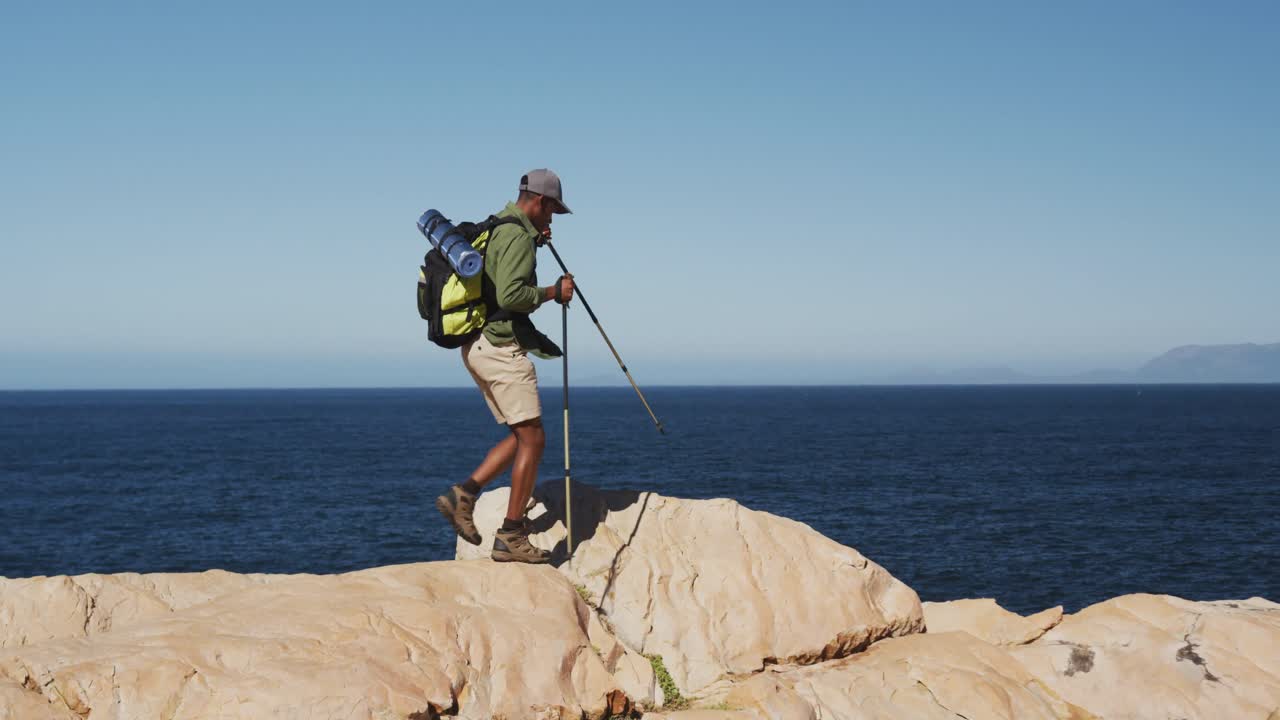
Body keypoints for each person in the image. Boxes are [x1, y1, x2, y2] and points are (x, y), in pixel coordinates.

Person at [435, 169, 576, 564]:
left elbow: (500, 276)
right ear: (540, 202)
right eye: (552, 211)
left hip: (478, 345)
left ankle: (463, 496)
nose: (552, 219)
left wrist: (534, 241)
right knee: (534, 439)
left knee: (522, 434)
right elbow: (512, 295)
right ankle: (511, 535)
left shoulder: (502, 225)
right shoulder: (517, 236)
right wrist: (554, 291)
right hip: (501, 348)